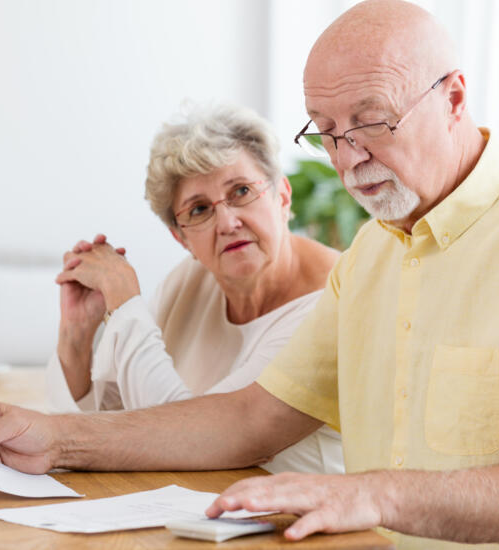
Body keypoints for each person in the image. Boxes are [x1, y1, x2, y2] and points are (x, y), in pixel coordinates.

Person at [0, 1, 499, 547]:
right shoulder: (373, 256)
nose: (351, 158)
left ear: (454, 97)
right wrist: (59, 439)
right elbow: (248, 421)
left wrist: (374, 495)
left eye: (371, 121)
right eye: (328, 133)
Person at [45, 103, 343, 474]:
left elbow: (193, 441)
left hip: (296, 524)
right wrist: (77, 333)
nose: (228, 222)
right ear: (181, 237)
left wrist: (125, 303)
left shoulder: (335, 299)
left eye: (241, 191)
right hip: (197, 510)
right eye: (199, 210)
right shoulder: (190, 281)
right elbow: (115, 417)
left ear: (281, 196)